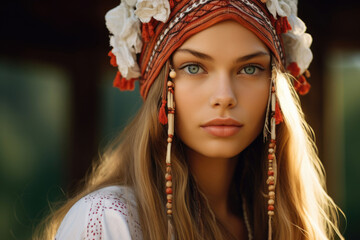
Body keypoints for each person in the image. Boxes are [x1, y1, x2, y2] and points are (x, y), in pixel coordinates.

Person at [35, 0, 345, 239]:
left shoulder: (282, 224)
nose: (224, 96)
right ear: (159, 88)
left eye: (250, 69)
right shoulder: (109, 222)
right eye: (194, 67)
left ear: (274, 88)